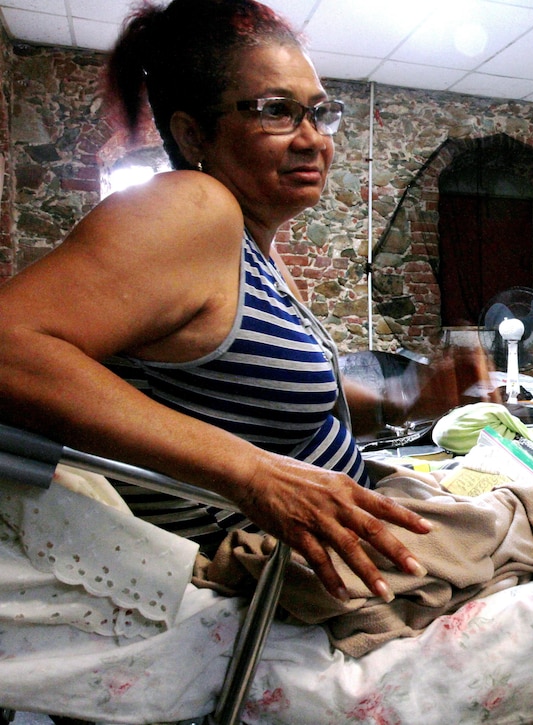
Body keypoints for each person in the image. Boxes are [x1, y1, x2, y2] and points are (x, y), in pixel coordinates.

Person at [0, 0, 491, 604]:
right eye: (277, 112)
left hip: (319, 545)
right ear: (192, 133)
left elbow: (272, 415)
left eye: (319, 112)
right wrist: (251, 473)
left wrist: (408, 401)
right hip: (249, 585)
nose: (312, 139)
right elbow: (8, 348)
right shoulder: (193, 206)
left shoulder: (251, 245)